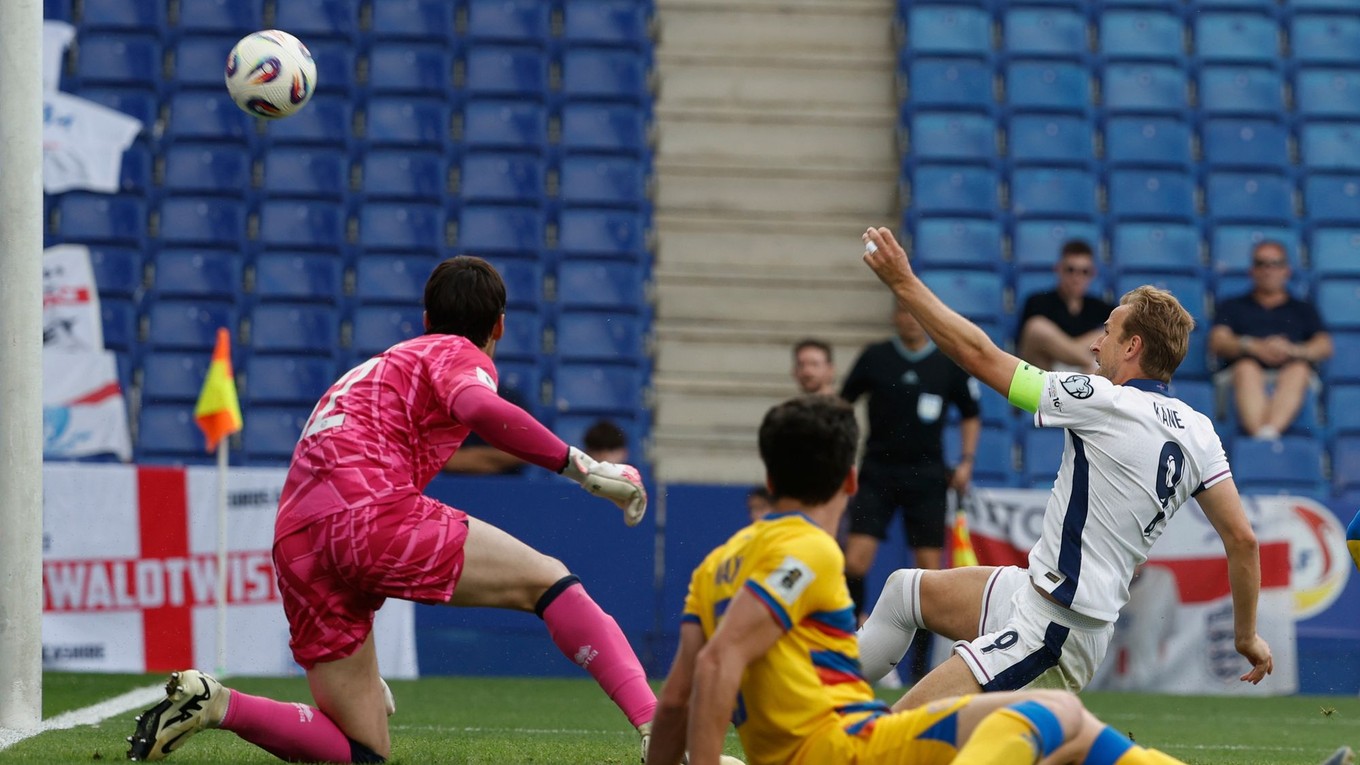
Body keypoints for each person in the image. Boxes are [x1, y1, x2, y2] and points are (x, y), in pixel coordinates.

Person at [126, 256, 658, 763]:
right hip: (368, 512)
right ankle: (658, 731)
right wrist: (579, 467)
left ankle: (216, 703)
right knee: (552, 584)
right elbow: (475, 406)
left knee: (363, 751)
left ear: (425, 318)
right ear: (499, 326)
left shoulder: (374, 368)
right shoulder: (455, 352)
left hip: (297, 543)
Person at [645, 395, 1315, 765]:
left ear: (767, 480)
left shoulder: (715, 565)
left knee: (1063, 726)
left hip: (834, 737)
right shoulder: (814, 550)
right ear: (852, 481)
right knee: (1053, 717)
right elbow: (722, 659)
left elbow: (673, 700)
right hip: (845, 750)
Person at [855, 227, 1273, 711]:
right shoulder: (1198, 431)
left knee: (895, 733)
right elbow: (1242, 540)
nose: (1096, 347)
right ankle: (816, 705)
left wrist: (904, 283)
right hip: (1035, 599)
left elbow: (978, 356)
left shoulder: (1104, 401)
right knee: (905, 591)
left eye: (1108, 332)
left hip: (1053, 630)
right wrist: (1247, 634)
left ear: (1133, 346)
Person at [840, 303, 980, 610]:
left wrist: (967, 460)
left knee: (928, 573)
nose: (910, 320)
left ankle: (919, 659)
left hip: (927, 474)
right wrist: (844, 452)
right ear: (894, 317)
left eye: (916, 313)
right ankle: (850, 638)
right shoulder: (875, 357)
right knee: (854, 562)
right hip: (878, 470)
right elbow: (843, 403)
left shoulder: (945, 362)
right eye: (904, 312)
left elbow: (971, 413)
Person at [1208, 240, 1332, 439]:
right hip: (1240, 374)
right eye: (1261, 264)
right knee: (1246, 367)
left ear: (1287, 270)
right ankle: (1266, 438)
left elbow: (1324, 345)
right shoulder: (1232, 305)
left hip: (1290, 372)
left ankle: (1264, 437)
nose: (1268, 270)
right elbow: (1218, 341)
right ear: (1252, 270)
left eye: (1275, 264)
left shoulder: (1302, 309)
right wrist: (1252, 346)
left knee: (1299, 369)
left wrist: (1292, 350)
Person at [1016, 240, 1114, 373]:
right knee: (1036, 327)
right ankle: (1089, 362)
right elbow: (1025, 346)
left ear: (1092, 274)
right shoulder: (1037, 302)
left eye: (1084, 271)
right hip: (1045, 373)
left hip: (1083, 376)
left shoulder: (1100, 307)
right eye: (1070, 270)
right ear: (1058, 269)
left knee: (1110, 332)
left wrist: (1062, 347)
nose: (1077, 277)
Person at [442, 384, 531, 474]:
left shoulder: (508, 398)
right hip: (451, 480)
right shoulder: (444, 400)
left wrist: (477, 458)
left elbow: (527, 452)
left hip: (506, 480)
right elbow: (450, 461)